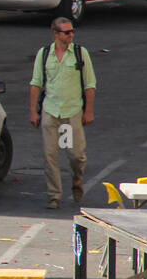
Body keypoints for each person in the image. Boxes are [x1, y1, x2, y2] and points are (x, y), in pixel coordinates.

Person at [30, 17, 97, 209]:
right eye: (67, 32)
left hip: (71, 112)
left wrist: (88, 111)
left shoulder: (79, 53)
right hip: (50, 112)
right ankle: (54, 195)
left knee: (75, 155)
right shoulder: (44, 54)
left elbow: (90, 85)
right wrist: (33, 112)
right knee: (50, 155)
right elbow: (36, 83)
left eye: (72, 31)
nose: (71, 35)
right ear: (56, 34)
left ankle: (77, 178)